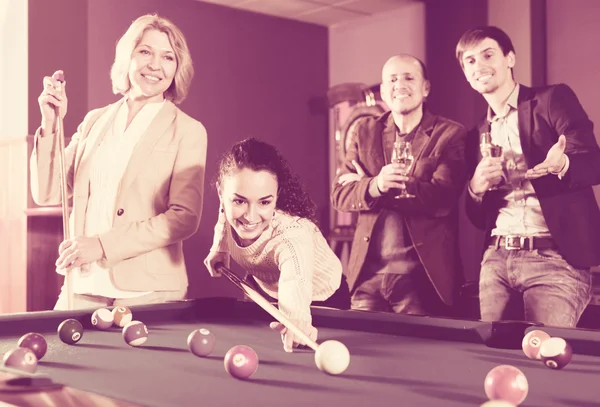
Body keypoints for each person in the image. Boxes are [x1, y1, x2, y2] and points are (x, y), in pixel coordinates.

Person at [31, 14, 207, 310]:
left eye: (168, 57)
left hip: (150, 291)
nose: (155, 65)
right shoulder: (95, 121)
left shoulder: (188, 131)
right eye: (145, 51)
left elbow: (184, 217)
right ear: (128, 57)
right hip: (83, 284)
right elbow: (48, 193)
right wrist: (50, 125)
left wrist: (102, 245)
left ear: (178, 68)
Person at [456, 26, 600, 327]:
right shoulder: (475, 135)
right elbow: (477, 218)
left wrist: (562, 164)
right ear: (466, 75)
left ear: (510, 59)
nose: (478, 65)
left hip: (554, 258)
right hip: (496, 259)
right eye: (469, 61)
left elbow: (593, 162)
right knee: (496, 362)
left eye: (487, 55)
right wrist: (475, 188)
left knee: (544, 357)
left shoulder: (551, 100)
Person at [331, 54, 467, 316]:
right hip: (366, 280)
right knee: (364, 356)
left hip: (420, 281)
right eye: (392, 79)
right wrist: (377, 184)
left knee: (417, 356)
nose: (399, 85)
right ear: (383, 90)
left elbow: (441, 199)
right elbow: (339, 195)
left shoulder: (449, 134)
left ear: (425, 88)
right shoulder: (364, 132)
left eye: (408, 78)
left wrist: (367, 186)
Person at [204, 138, 349, 352]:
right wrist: (219, 247)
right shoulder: (227, 207)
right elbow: (223, 215)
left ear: (277, 195)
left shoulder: (291, 236)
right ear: (221, 194)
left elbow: (295, 280)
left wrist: (296, 321)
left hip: (321, 299)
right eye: (239, 201)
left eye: (264, 202)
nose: (251, 216)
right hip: (264, 289)